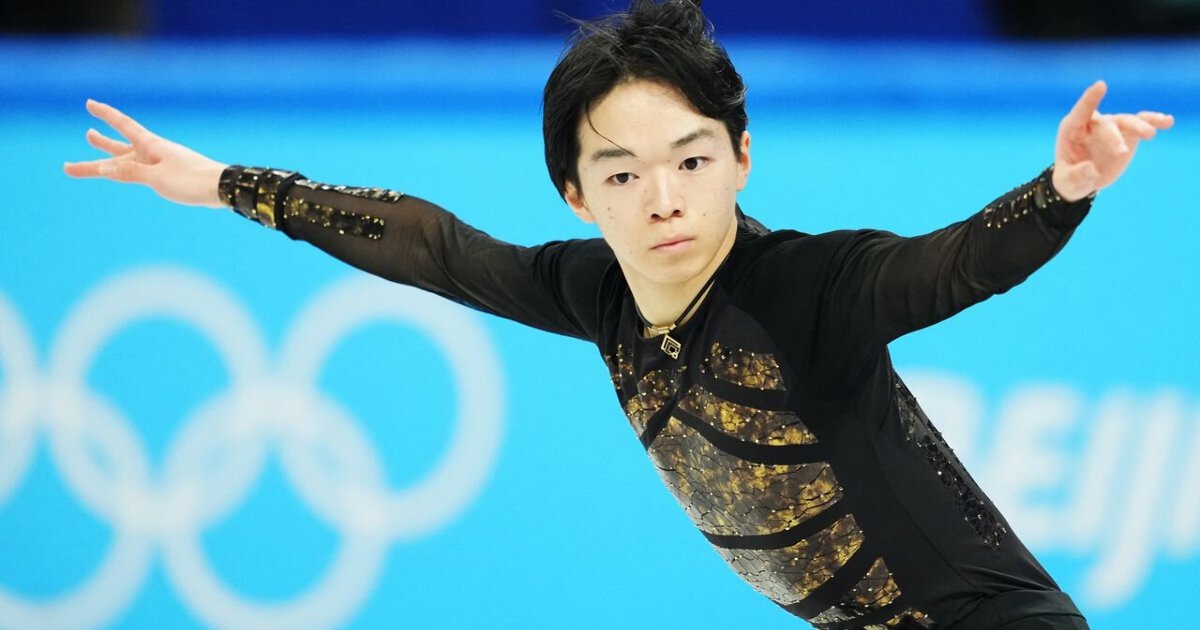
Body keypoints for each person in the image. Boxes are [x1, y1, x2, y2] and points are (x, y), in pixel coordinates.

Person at [63, 1, 1173, 628]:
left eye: (691, 159)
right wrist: (225, 185)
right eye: (623, 173)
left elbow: (951, 267)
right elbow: (435, 247)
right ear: (577, 195)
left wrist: (1060, 191)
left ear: (741, 158)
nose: (664, 198)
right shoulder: (597, 292)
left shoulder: (809, 288)